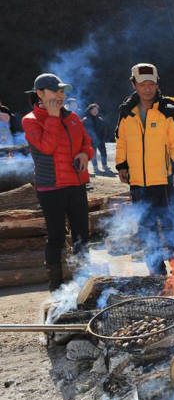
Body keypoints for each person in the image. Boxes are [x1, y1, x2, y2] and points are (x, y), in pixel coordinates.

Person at [114, 63, 174, 276]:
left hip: (165, 181)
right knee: (147, 230)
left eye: (152, 84)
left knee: (171, 228)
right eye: (142, 84)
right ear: (133, 84)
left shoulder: (167, 110)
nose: (148, 89)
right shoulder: (127, 112)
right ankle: (156, 274)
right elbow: (121, 141)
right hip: (138, 183)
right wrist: (122, 165)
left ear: (157, 84)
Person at [22, 73, 94, 290]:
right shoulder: (30, 120)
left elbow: (87, 143)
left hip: (76, 184)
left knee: (82, 232)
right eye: (55, 91)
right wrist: (52, 116)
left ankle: (83, 280)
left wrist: (85, 154)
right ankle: (56, 284)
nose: (61, 95)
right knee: (56, 236)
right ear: (40, 94)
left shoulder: (72, 118)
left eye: (62, 91)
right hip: (51, 188)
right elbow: (47, 147)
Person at [82, 103, 109, 173]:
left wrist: (103, 138)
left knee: (103, 152)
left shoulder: (100, 119)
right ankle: (95, 167)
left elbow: (104, 129)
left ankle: (104, 165)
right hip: (91, 141)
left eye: (96, 110)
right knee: (93, 154)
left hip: (100, 140)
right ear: (90, 110)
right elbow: (82, 131)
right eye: (93, 110)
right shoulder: (85, 120)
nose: (95, 111)